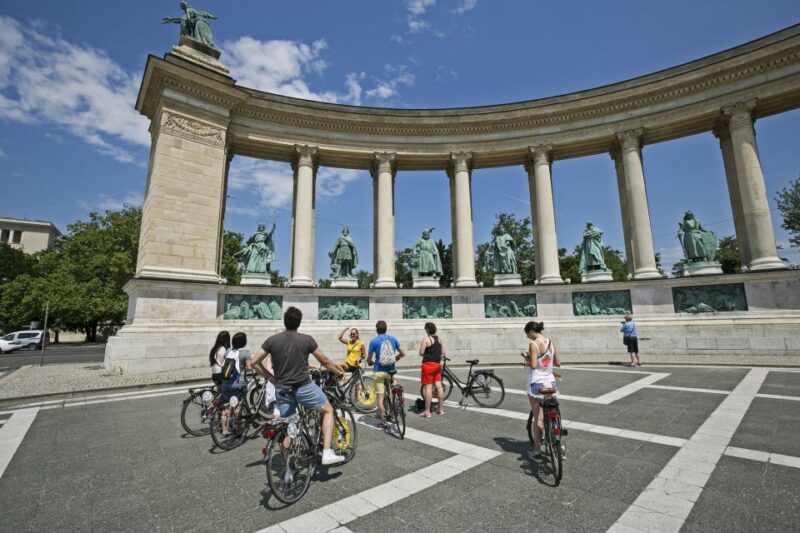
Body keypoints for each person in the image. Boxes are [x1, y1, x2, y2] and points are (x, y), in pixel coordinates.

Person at [250, 307, 346, 466]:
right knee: (328, 410)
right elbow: (324, 361)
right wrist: (338, 372)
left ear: (285, 321)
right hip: (303, 387)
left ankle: (288, 468)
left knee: (290, 425)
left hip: (282, 389)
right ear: (299, 322)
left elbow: (254, 362)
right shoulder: (306, 339)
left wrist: (271, 378)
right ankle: (327, 452)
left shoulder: (272, 340)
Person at [521, 321, 560, 463]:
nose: (528, 337)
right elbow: (557, 363)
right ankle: (557, 441)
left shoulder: (533, 344)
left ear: (532, 331)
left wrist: (526, 357)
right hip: (551, 382)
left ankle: (537, 450)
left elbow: (532, 365)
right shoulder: (550, 342)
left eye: (528, 334)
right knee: (553, 411)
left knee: (539, 418)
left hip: (537, 382)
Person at [367, 320, 405, 428]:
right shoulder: (392, 339)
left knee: (380, 397)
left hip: (379, 371)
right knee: (395, 388)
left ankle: (383, 421)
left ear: (376, 329)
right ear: (386, 329)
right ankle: (397, 405)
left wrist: (370, 362)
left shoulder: (374, 341)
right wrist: (396, 357)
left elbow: (369, 358)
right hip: (391, 372)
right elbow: (403, 353)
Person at [219, 332, 252, 437]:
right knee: (238, 406)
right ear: (244, 342)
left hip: (225, 383)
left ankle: (224, 429)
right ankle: (237, 427)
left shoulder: (228, 351)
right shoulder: (245, 353)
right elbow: (249, 368)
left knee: (226, 406)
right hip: (238, 384)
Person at [418, 322, 445, 418]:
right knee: (439, 386)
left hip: (428, 365)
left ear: (428, 330)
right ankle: (440, 409)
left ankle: (427, 411)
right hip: (437, 365)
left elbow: (421, 353)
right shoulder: (439, 339)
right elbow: (443, 353)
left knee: (428, 388)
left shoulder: (427, 339)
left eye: (425, 329)